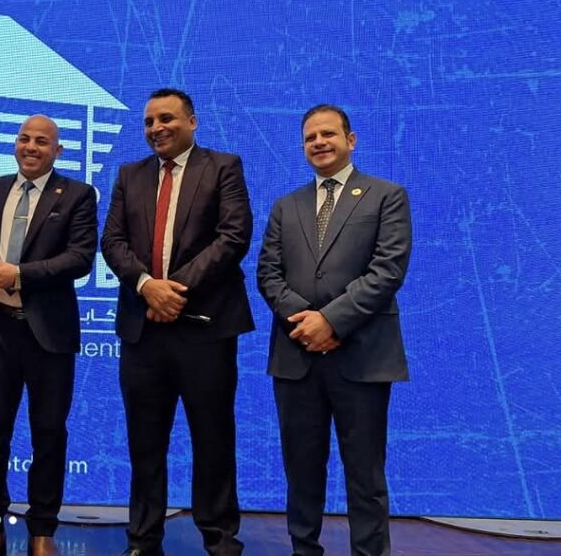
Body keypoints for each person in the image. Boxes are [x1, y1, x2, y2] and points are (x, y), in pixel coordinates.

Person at [101, 88, 253, 556]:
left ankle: (220, 540)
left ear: (192, 121)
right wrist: (148, 286)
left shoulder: (223, 167)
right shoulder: (130, 175)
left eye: (166, 118)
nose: (156, 129)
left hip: (205, 329)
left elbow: (233, 237)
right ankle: (143, 540)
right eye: (149, 122)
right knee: (144, 444)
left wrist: (173, 291)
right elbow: (112, 241)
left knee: (213, 439)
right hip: (143, 331)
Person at [257, 105, 412, 556]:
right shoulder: (286, 206)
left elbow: (387, 270)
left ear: (351, 140)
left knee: (365, 475)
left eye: (328, 134)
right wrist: (307, 322)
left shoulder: (386, 196)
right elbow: (268, 274)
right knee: (301, 471)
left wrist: (331, 321)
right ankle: (303, 550)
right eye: (310, 137)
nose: (319, 143)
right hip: (297, 356)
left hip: (361, 356)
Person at [0, 115, 97, 556]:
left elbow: (80, 258)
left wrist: (20, 274)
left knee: (49, 433)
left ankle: (43, 529)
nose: (31, 147)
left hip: (49, 334)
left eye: (42, 141)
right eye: (24, 138)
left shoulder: (78, 194)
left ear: (57, 151)